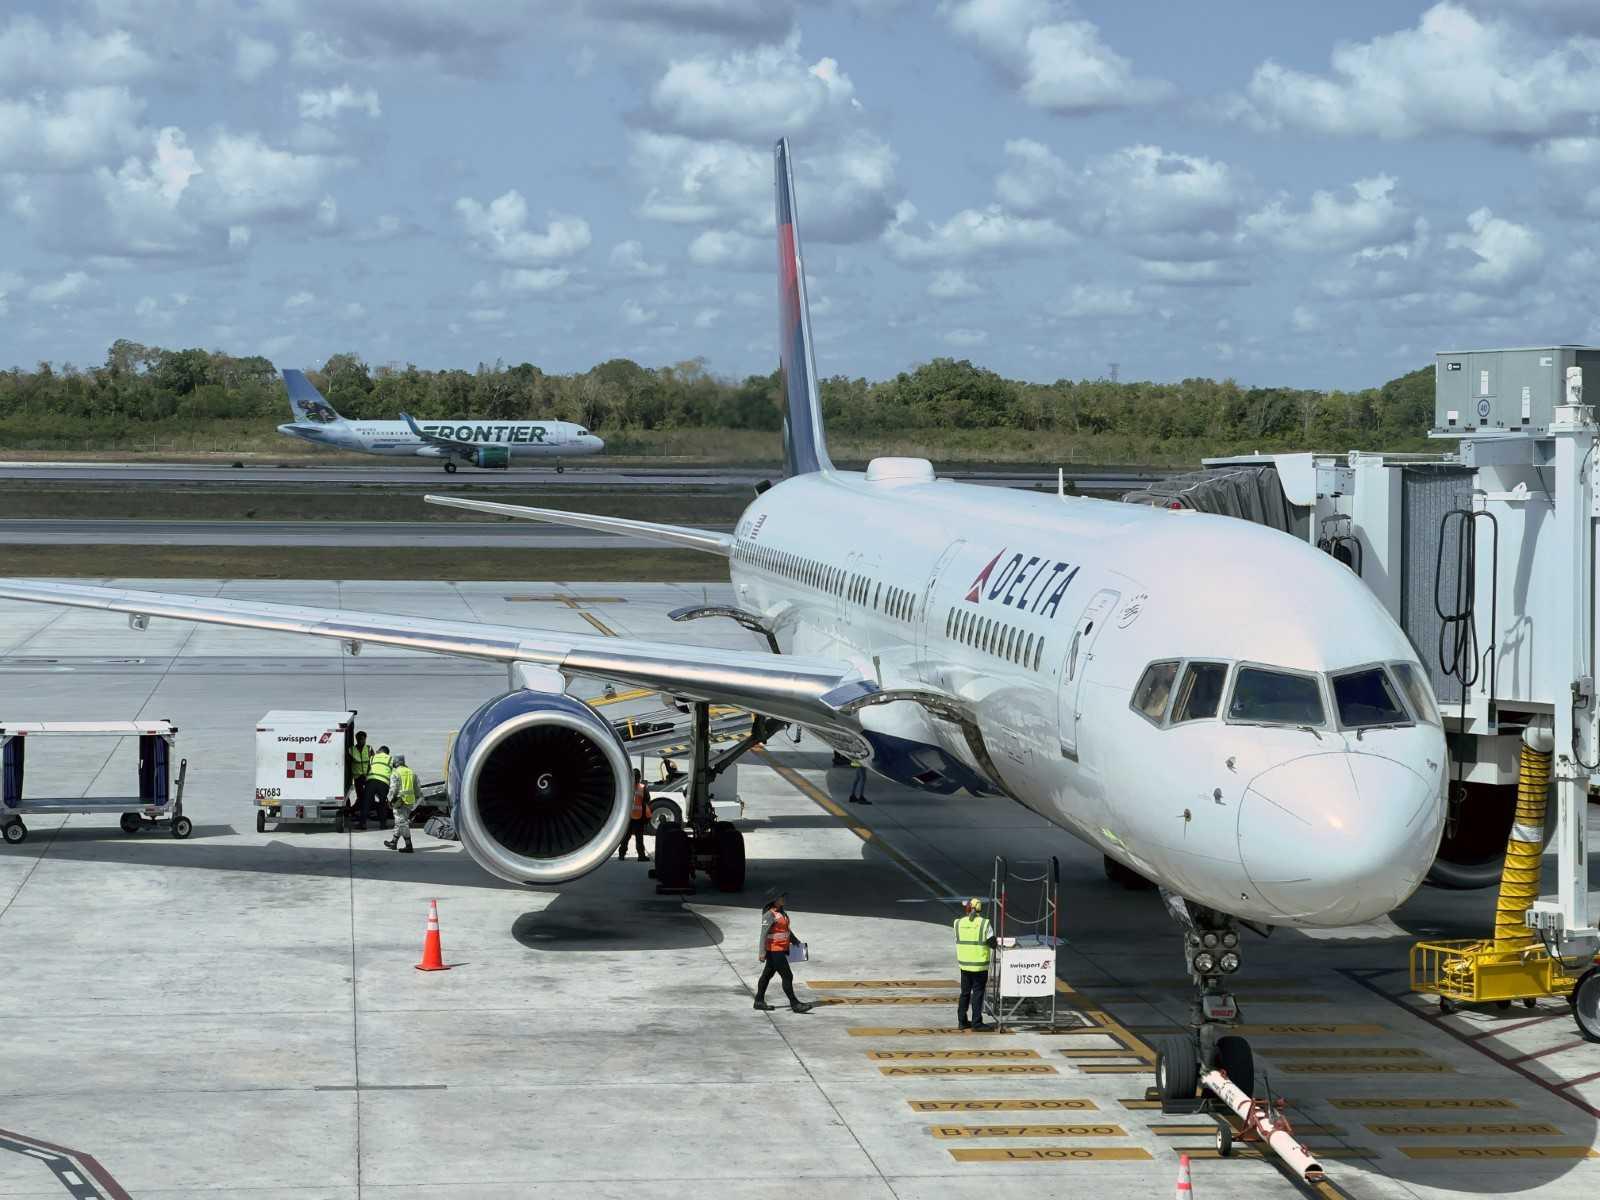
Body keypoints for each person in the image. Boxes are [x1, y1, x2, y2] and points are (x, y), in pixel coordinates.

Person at [754, 891, 813, 1013]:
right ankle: (795, 1004)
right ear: (774, 899)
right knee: (787, 976)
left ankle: (758, 1001)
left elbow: (786, 929)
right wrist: (761, 952)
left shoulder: (782, 912)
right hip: (774, 950)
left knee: (767, 975)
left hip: (781, 949)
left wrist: (795, 940)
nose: (784, 899)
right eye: (782, 897)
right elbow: (763, 935)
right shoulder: (769, 915)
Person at [955, 897, 995, 1032]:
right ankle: (977, 1023)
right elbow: (993, 944)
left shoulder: (958, 923)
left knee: (965, 993)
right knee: (978, 993)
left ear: (968, 908)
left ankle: (962, 1021)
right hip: (979, 966)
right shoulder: (984, 924)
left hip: (964, 965)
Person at [384, 754, 417, 853]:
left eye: (394, 761)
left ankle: (409, 845)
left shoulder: (396, 773)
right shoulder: (411, 772)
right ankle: (393, 842)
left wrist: (389, 800)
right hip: (410, 801)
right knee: (399, 822)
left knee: (402, 823)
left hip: (400, 802)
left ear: (397, 762)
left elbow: (393, 789)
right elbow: (417, 788)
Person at [619, 769, 650, 861]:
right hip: (638, 816)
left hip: (628, 817)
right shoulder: (642, 787)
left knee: (626, 837)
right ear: (639, 777)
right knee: (639, 837)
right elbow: (647, 799)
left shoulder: (626, 787)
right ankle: (641, 856)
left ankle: (621, 854)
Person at [364, 744, 393, 831]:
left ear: (380, 751)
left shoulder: (373, 758)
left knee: (366, 802)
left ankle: (362, 823)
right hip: (383, 783)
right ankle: (383, 825)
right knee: (382, 803)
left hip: (371, 781)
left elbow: (367, 769)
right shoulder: (390, 759)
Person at [349, 731, 372, 829]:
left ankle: (361, 819)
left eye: (363, 739)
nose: (361, 741)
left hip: (367, 777)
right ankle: (360, 816)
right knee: (361, 798)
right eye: (359, 739)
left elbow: (372, 762)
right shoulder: (351, 750)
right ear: (356, 739)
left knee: (365, 799)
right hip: (358, 778)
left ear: (365, 739)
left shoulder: (369, 749)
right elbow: (348, 764)